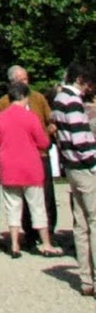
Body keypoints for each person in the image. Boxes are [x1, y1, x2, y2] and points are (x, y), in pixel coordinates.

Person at [0, 80, 61, 259]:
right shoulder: (30, 117)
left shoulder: (1, 117)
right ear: (23, 97)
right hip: (30, 165)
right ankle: (46, 243)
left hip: (8, 166)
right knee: (37, 206)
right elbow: (44, 142)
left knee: (13, 206)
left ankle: (14, 244)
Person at [50, 61, 96, 295]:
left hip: (70, 166)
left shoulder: (58, 100)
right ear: (80, 80)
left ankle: (86, 279)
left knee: (80, 223)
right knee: (94, 221)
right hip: (85, 166)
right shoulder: (73, 101)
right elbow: (80, 139)